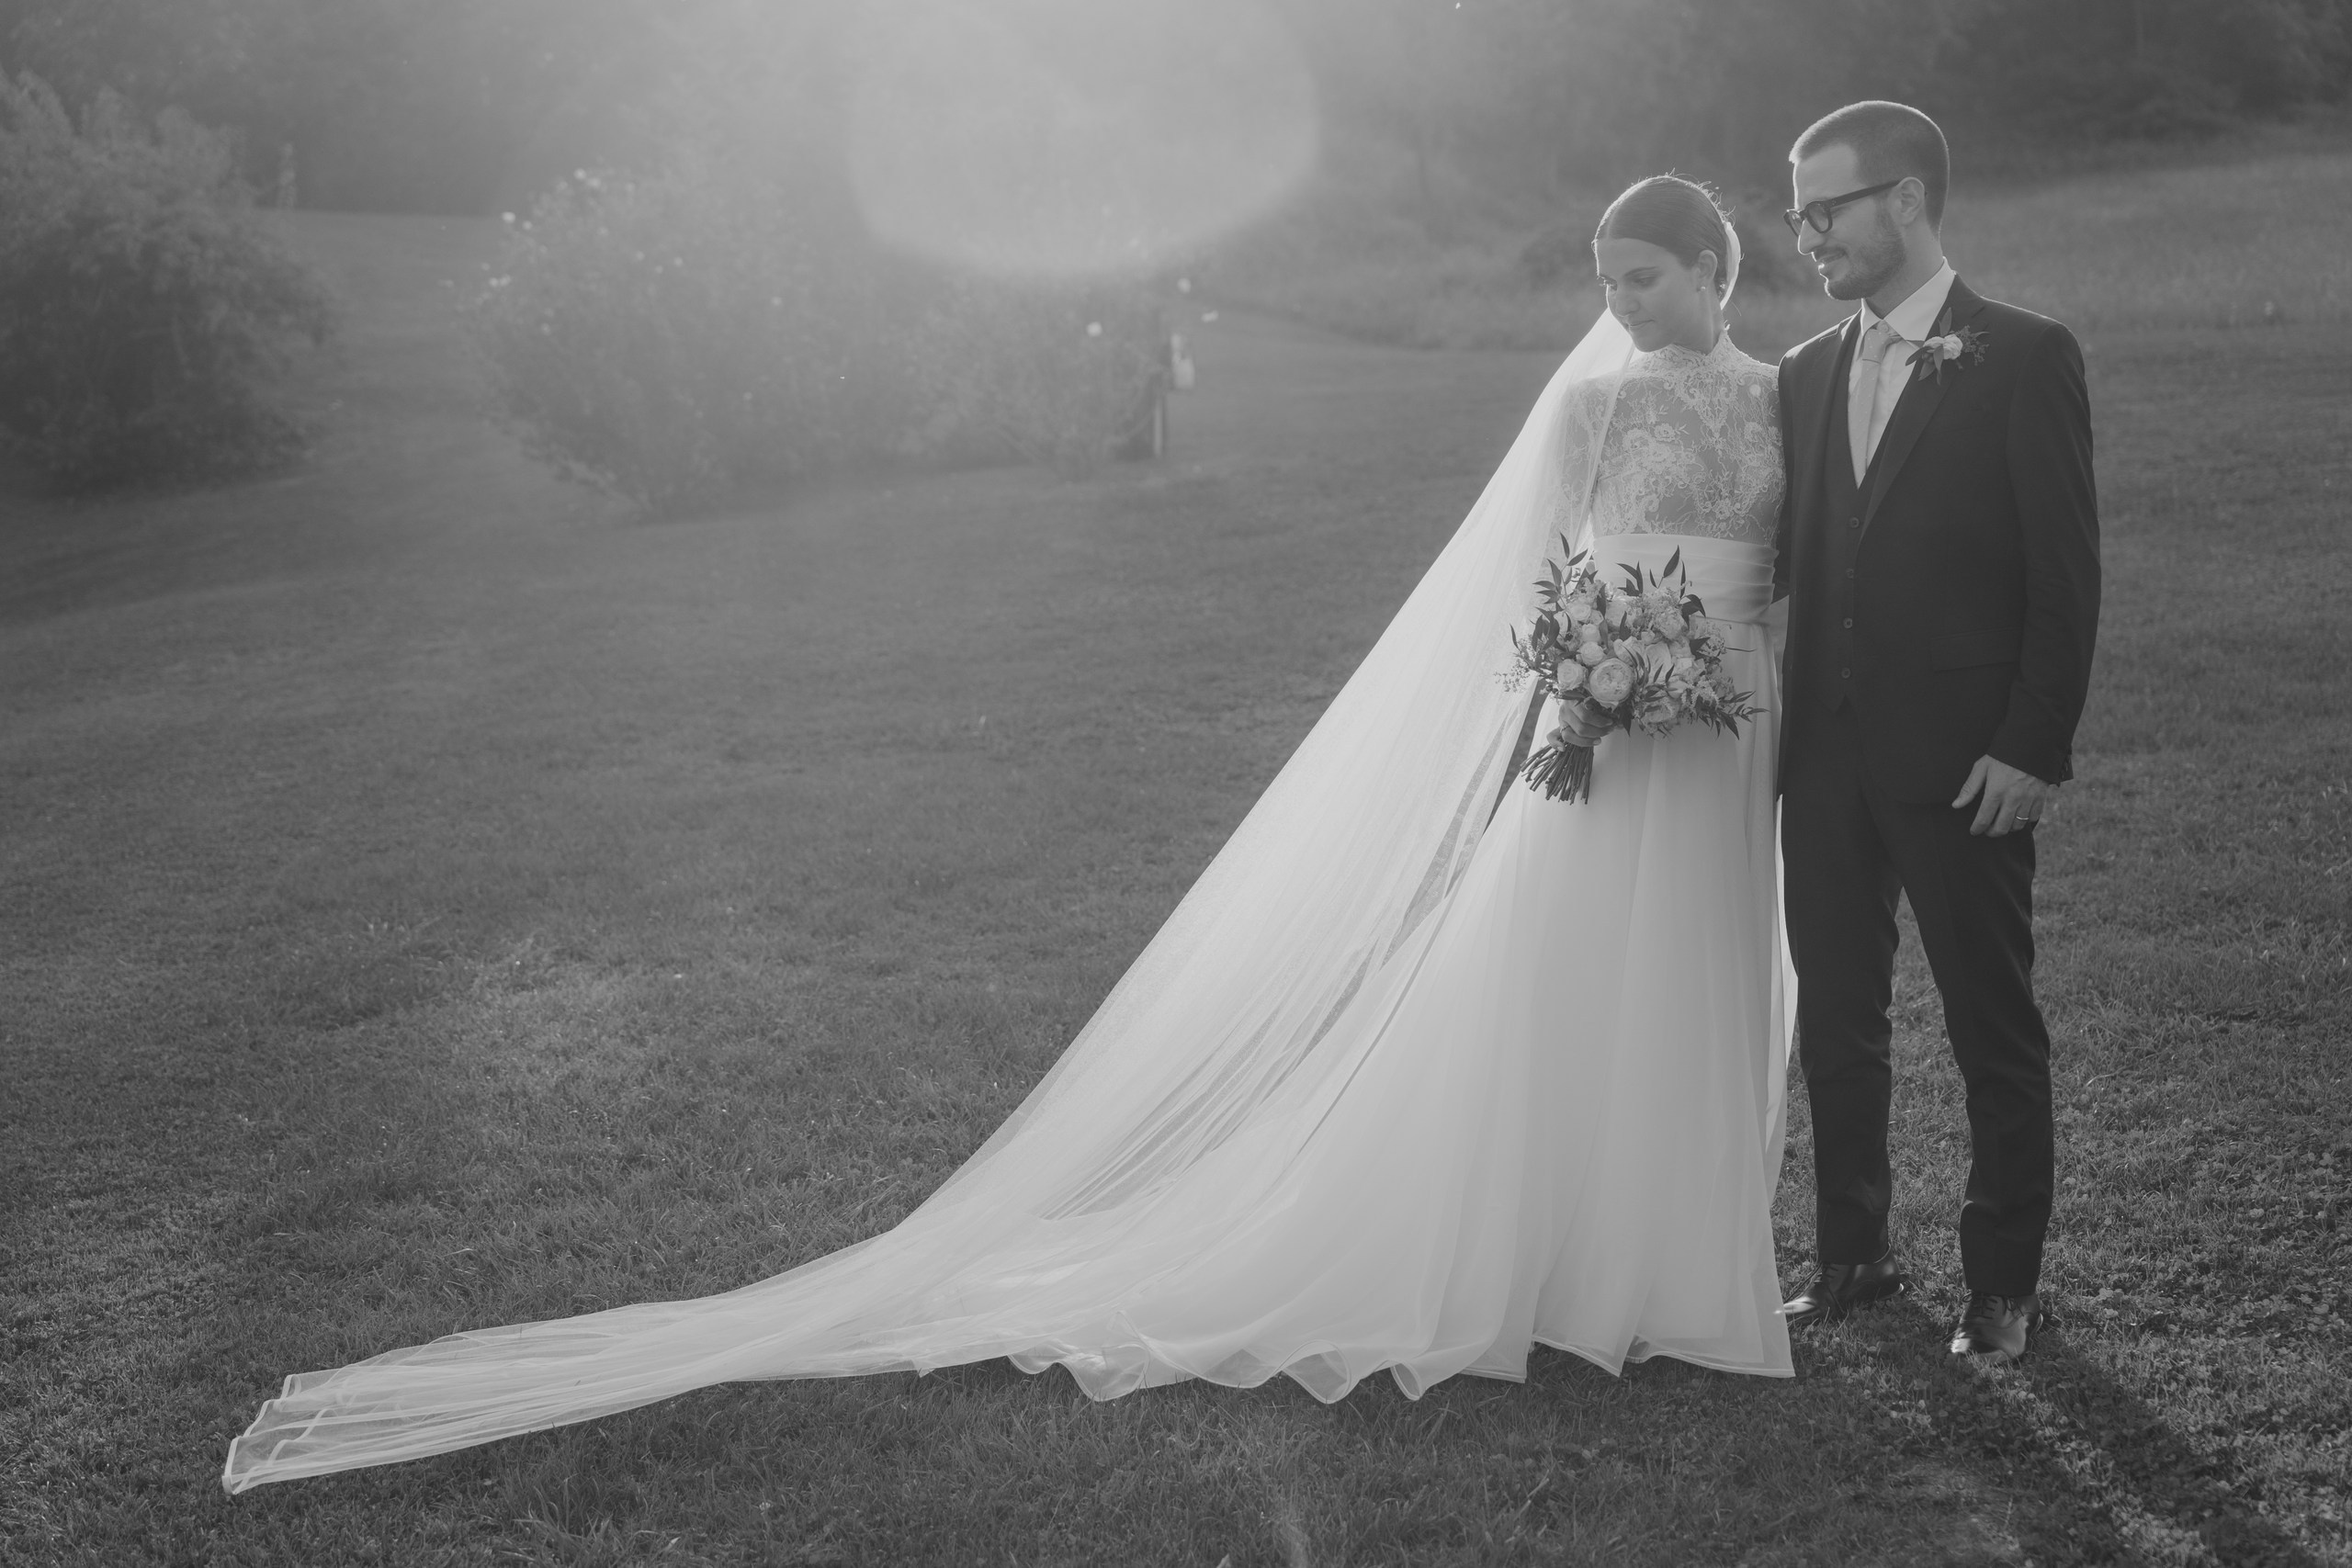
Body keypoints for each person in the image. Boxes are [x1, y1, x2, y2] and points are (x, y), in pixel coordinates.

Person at [224, 175, 1797, 1494]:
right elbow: (1531, 593)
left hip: (1732, 739)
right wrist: (1590, 688)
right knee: (1566, 987)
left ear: (1718, 267)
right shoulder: (1593, 403)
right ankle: (1549, 1259)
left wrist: (1700, 673)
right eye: (1607, 277)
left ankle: (1673, 1273)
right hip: (1604, 741)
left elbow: (1795, 572)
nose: (1623, 302)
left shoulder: (1783, 397)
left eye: (1646, 277)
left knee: (1701, 986)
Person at [1770, 102, 2100, 1360]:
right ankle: (1854, 1255)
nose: (1807, 238)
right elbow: (1797, 564)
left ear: (1904, 201)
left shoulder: (2022, 355)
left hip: (1967, 760)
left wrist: (2031, 743)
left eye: (1827, 211)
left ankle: (2004, 1280)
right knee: (1837, 1017)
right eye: (1798, 215)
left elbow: (2064, 576)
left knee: (1988, 1021)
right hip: (1826, 760)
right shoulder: (1805, 373)